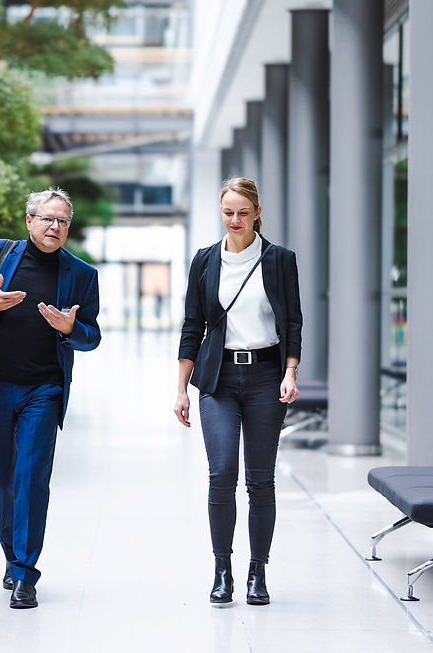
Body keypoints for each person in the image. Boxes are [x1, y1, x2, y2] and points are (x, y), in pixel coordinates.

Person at [0, 188, 101, 609]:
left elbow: (92, 337)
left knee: (32, 477)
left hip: (44, 389)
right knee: (3, 479)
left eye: (63, 221)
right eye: (47, 218)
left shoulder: (82, 274)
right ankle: (12, 553)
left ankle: (24, 573)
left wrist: (70, 329)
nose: (55, 227)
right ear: (29, 220)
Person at [174, 177, 301, 606]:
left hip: (267, 377)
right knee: (222, 472)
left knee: (260, 480)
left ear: (257, 213)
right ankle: (222, 570)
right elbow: (192, 325)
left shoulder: (279, 259)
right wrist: (181, 389)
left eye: (243, 213)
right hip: (218, 379)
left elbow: (293, 322)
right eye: (228, 212)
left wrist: (290, 372)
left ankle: (257, 572)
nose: (235, 220)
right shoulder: (205, 260)